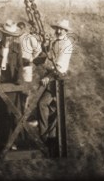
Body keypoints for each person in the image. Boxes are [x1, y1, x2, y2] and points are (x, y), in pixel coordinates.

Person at [38, 19, 74, 149]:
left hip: (58, 78)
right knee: (52, 108)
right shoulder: (55, 42)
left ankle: (45, 136)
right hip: (53, 76)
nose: (58, 31)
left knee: (44, 104)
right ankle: (50, 138)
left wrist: (48, 76)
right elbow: (48, 57)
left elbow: (59, 65)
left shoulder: (67, 45)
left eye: (61, 29)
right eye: (57, 29)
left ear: (65, 31)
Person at [0, 20, 24, 149]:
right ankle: (0, 141)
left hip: (12, 83)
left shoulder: (16, 48)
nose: (8, 38)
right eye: (5, 35)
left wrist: (19, 81)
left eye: (10, 35)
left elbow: (20, 66)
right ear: (2, 35)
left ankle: (12, 141)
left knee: (11, 112)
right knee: (0, 112)